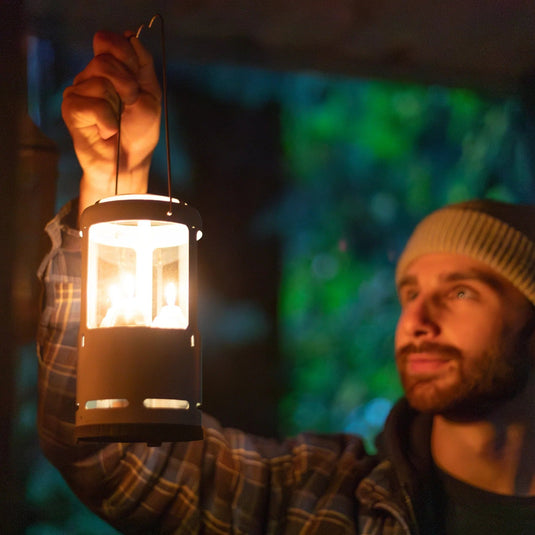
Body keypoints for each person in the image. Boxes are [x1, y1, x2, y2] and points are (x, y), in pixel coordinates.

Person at [37, 31, 535, 534]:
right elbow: (110, 456)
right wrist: (112, 189)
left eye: (460, 292)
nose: (418, 321)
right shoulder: (320, 500)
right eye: (410, 293)